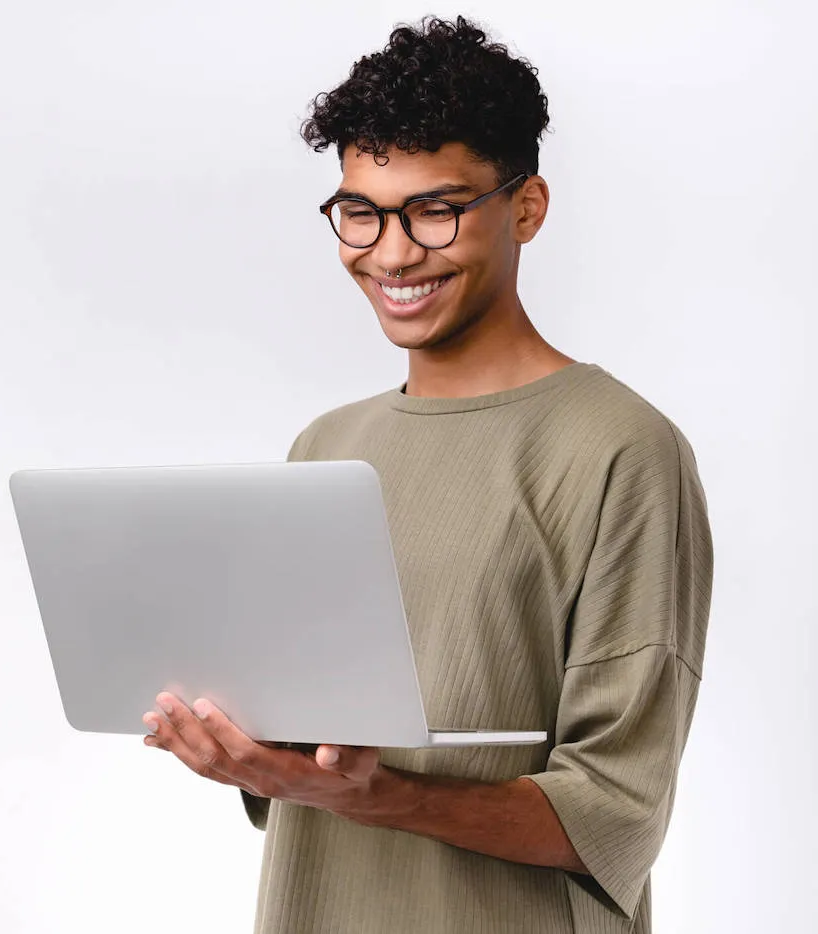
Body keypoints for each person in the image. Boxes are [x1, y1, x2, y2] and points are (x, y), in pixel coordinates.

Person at [139, 14, 714, 934]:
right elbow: (303, 754)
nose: (393, 252)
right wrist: (246, 750)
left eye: (435, 209)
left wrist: (379, 795)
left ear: (525, 207)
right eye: (361, 211)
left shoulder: (621, 449)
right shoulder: (324, 447)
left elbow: (614, 810)